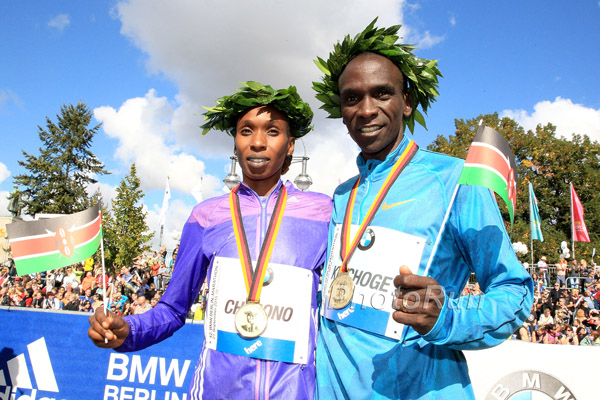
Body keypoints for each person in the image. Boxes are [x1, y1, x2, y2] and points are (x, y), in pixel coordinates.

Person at [312, 19, 533, 399]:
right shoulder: (342, 196)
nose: (366, 110)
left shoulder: (455, 180)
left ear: (407, 101)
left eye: (382, 94)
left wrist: (445, 318)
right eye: (352, 98)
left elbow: (515, 292)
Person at [88, 82, 332, 399]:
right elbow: (173, 309)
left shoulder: (323, 212)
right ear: (234, 143)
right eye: (246, 131)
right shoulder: (207, 216)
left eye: (272, 131)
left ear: (290, 145)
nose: (258, 142)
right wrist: (129, 331)